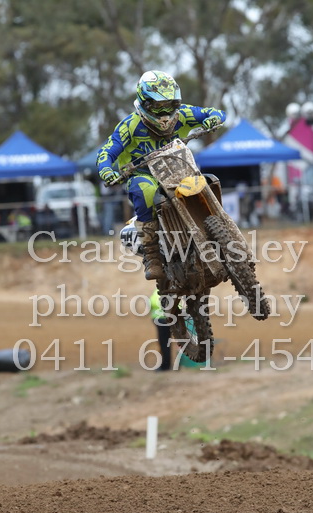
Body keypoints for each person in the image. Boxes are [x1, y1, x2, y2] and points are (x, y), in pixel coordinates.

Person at [96, 70, 226, 280]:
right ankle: (152, 254)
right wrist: (106, 170)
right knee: (145, 190)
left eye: (170, 105)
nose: (165, 113)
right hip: (144, 174)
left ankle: (224, 231)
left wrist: (213, 120)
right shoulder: (129, 126)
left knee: (207, 181)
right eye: (158, 106)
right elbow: (106, 152)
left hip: (179, 168)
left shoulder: (184, 113)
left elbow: (216, 112)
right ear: (145, 103)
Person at [149, 288, 171, 371]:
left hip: (162, 320)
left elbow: (151, 304)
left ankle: (165, 365)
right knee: (167, 342)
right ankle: (170, 364)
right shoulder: (172, 291)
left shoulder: (157, 292)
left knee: (164, 343)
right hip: (170, 319)